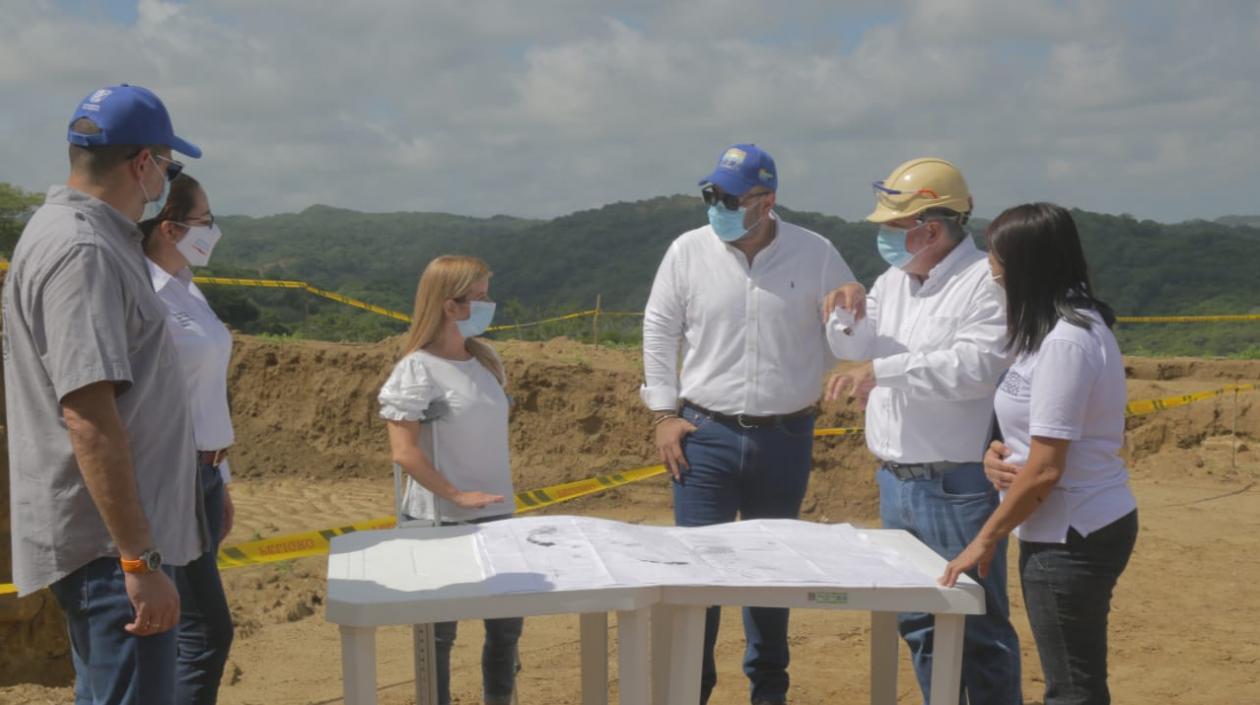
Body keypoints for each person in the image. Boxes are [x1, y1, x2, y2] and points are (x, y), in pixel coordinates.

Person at [2, 84, 203, 704]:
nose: (166, 180)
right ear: (143, 163)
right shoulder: (82, 251)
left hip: (111, 544)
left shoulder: (81, 236)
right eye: (169, 166)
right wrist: (138, 561)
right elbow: (88, 417)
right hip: (109, 550)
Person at [642, 143, 858, 705]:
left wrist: (858, 306)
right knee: (699, 579)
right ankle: (692, 692)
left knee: (772, 578)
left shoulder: (816, 253)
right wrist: (664, 414)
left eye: (729, 196)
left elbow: (849, 331)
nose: (716, 204)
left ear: (767, 201)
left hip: (786, 437)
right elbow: (659, 330)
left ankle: (769, 693)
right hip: (703, 436)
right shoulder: (688, 251)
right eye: (711, 194)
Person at [823, 158, 1022, 704]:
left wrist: (881, 370)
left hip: (956, 485)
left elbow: (972, 369)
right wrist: (846, 315)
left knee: (976, 626)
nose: (885, 237)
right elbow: (856, 351)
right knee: (918, 623)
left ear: (929, 229)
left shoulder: (985, 282)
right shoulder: (894, 280)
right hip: (897, 481)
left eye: (893, 226)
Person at [941, 203, 1138, 705]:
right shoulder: (1047, 330)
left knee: (1071, 687)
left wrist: (983, 540)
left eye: (998, 258)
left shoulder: (1067, 342)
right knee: (1073, 679)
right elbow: (1034, 435)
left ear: (1029, 265)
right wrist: (996, 452)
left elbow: (1047, 469)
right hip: (1065, 525)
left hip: (1071, 532)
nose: (991, 268)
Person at [378, 255, 522, 705]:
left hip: (498, 514)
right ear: (447, 304)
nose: (487, 305)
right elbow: (404, 452)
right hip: (442, 520)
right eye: (477, 298)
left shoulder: (485, 358)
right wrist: (457, 495)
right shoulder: (416, 370)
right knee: (439, 638)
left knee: (506, 632)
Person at [139, 173, 235, 705]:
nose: (213, 232)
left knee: (198, 631)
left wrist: (221, 479)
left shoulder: (186, 289)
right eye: (206, 222)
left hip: (203, 475)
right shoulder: (144, 294)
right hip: (168, 478)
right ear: (170, 228)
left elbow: (205, 394)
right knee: (196, 633)